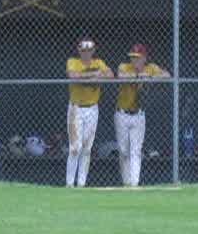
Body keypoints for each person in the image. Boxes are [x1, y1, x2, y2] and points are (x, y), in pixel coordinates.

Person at [113, 44, 168, 187]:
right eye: (132, 57)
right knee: (123, 151)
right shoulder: (124, 67)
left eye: (138, 58)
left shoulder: (150, 67)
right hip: (122, 113)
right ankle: (126, 182)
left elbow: (167, 75)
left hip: (139, 114)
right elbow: (121, 76)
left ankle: (134, 184)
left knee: (136, 150)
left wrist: (149, 76)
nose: (134, 61)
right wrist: (138, 76)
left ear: (144, 58)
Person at [64, 38, 111, 188]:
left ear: (93, 51)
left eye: (89, 50)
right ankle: (70, 184)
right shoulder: (73, 61)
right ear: (79, 51)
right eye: (83, 50)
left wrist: (93, 74)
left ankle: (81, 184)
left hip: (92, 108)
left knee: (86, 148)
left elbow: (110, 75)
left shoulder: (98, 63)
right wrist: (93, 75)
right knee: (74, 148)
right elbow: (73, 76)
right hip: (76, 108)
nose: (86, 53)